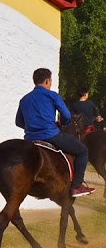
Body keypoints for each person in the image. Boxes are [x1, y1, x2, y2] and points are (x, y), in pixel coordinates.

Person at [16, 68, 94, 197]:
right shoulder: (52, 95)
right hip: (51, 135)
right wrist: (62, 123)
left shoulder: (24, 99)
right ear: (47, 81)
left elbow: (18, 122)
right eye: (50, 81)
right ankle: (76, 186)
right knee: (82, 151)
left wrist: (32, 127)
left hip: (30, 139)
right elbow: (67, 115)